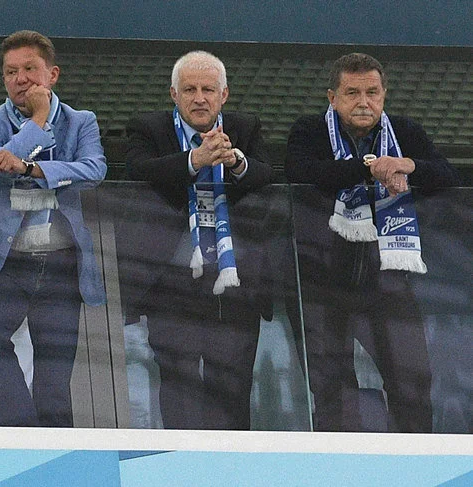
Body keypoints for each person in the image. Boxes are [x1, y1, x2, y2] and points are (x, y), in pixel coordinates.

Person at [285, 52, 460, 432]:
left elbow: (447, 177)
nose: (364, 102)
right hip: (323, 282)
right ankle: (339, 461)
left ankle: (414, 459)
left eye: (372, 92)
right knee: (333, 387)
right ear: (332, 98)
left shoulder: (405, 133)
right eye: (352, 93)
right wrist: (371, 169)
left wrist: (408, 165)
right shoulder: (309, 131)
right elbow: (303, 173)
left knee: (412, 380)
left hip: (389, 280)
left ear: (384, 94)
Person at [0, 30, 107, 427]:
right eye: (11, 72)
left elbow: (94, 169)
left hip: (60, 263)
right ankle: (19, 433)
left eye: (29, 69)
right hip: (4, 262)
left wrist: (32, 169)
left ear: (52, 74)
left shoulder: (81, 121)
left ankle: (55, 447)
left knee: (54, 379)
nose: (20, 79)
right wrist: (38, 121)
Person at [125, 51, 274, 430]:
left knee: (233, 387)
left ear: (224, 95)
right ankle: (181, 459)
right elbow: (138, 171)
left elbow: (268, 175)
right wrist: (195, 159)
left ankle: (230, 461)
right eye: (189, 90)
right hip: (172, 285)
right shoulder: (148, 128)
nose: (199, 98)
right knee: (179, 384)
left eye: (208, 90)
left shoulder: (245, 127)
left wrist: (235, 160)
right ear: (173, 95)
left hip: (236, 285)